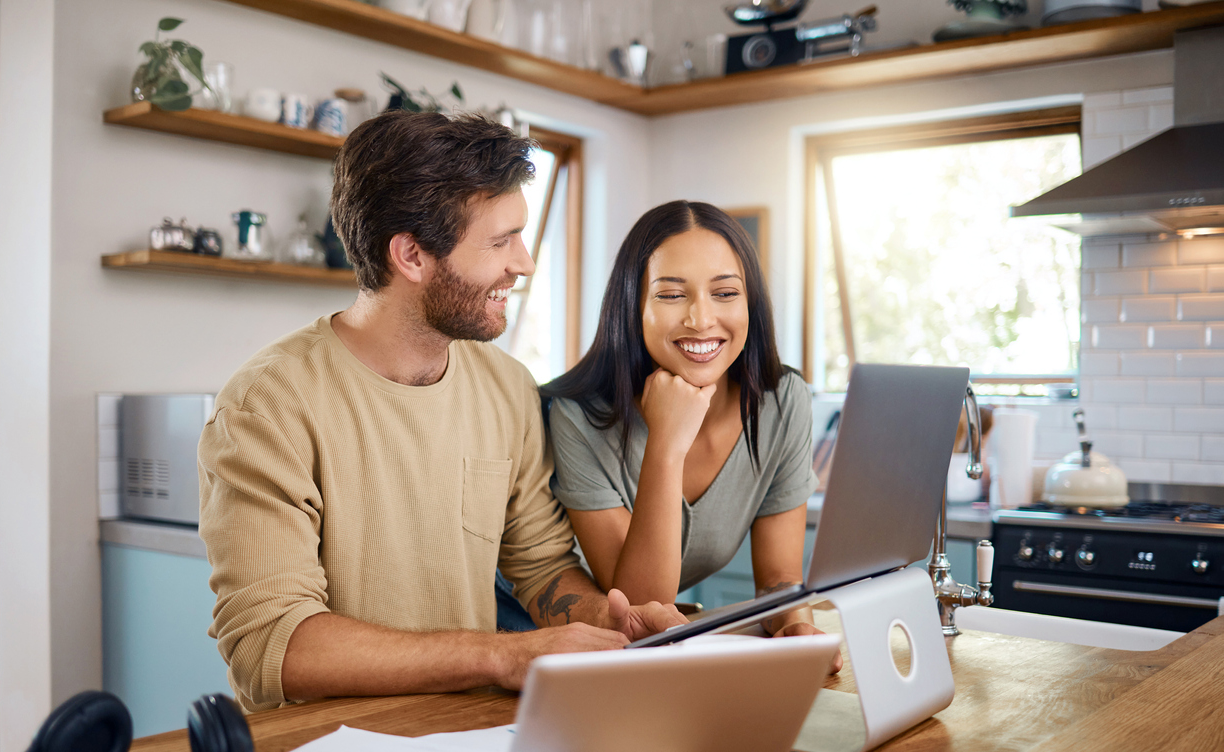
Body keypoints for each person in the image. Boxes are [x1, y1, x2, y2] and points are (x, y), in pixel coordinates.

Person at [198, 111, 684, 714]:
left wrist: (612, 626)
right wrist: (500, 655)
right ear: (411, 255)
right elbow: (274, 648)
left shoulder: (507, 387)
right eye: (500, 240)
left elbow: (540, 568)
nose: (525, 262)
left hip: (467, 738)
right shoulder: (269, 404)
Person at [542, 201, 839, 659]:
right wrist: (665, 447)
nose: (701, 319)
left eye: (725, 293)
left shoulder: (782, 401)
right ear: (633, 305)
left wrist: (795, 625)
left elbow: (780, 577)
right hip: (547, 641)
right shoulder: (576, 416)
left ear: (750, 304)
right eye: (671, 294)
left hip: (644, 654)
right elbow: (641, 607)